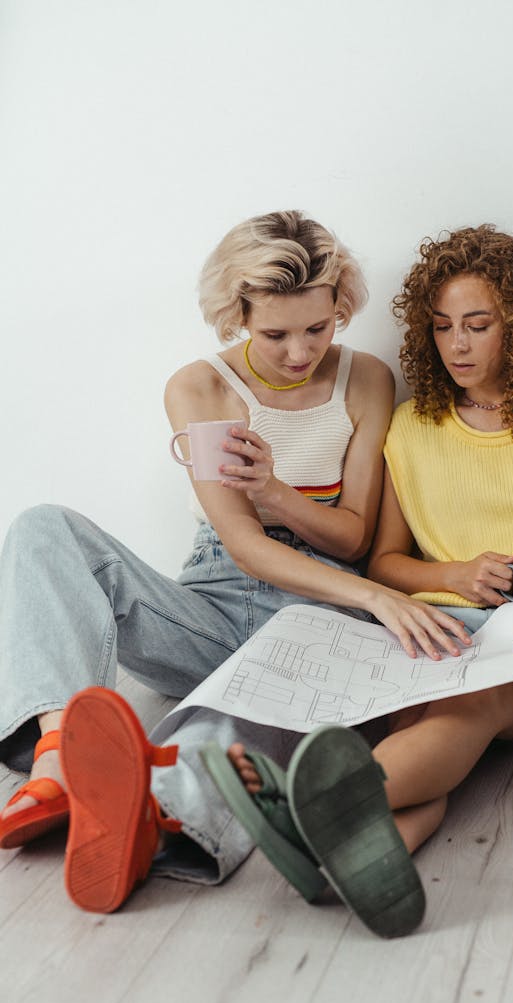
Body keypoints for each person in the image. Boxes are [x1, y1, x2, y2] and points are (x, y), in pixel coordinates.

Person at [0, 210, 467, 887]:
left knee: (240, 709)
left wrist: (276, 491)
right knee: (43, 527)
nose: (301, 351)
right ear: (237, 313)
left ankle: (155, 817)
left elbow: (356, 533)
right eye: (276, 333)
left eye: (319, 326)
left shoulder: (364, 378)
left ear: (341, 306)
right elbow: (244, 546)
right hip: (214, 601)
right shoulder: (201, 388)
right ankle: (56, 756)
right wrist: (370, 587)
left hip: (321, 609)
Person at [222, 223, 513, 866]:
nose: (457, 344)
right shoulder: (412, 426)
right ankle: (360, 862)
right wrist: (456, 573)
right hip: (442, 628)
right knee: (417, 725)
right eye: (443, 326)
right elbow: (385, 563)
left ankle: (313, 804)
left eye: (478, 324)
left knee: (475, 700)